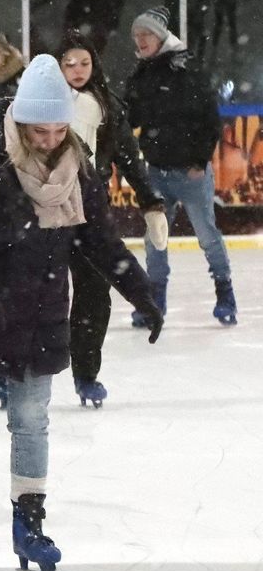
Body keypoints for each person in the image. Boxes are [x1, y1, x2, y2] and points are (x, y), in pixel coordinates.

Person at [0, 57, 163, 571]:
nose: (51, 138)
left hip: (40, 314)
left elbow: (98, 238)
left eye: (60, 128)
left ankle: (29, 524)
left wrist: (139, 290)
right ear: (20, 122)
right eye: (41, 129)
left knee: (32, 424)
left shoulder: (76, 166)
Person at [58, 29, 169, 407]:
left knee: (93, 295)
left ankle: (86, 374)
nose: (76, 70)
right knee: (34, 294)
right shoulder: (40, 103)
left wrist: (151, 201)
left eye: (83, 63)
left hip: (89, 205)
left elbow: (130, 158)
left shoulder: (108, 105)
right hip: (42, 210)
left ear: (94, 64)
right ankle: (13, 373)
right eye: (68, 64)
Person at [123, 5, 236, 326]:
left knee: (207, 235)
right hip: (157, 170)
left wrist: (199, 160)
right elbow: (131, 117)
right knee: (155, 236)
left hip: (191, 172)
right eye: (136, 35)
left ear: (160, 36)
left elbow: (209, 118)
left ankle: (225, 292)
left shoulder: (187, 69)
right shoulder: (141, 75)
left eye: (145, 34)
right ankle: (155, 299)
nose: (140, 40)